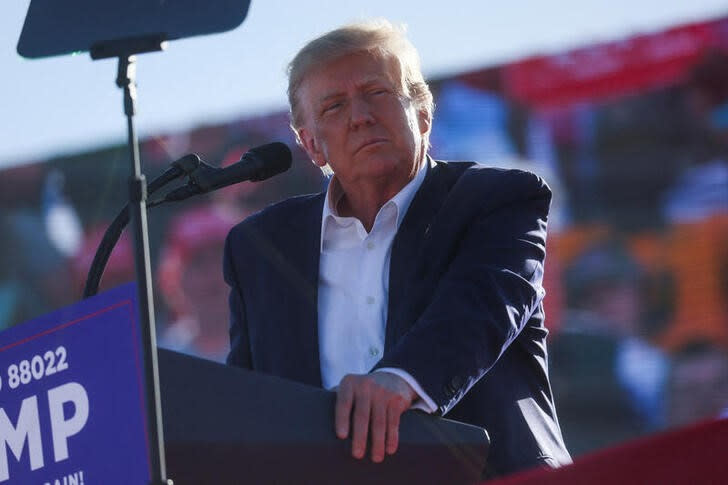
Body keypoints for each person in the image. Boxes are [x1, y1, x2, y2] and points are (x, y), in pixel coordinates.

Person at [224, 19, 571, 476]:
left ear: (423, 111)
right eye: (333, 106)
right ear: (311, 145)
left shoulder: (498, 199)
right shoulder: (260, 247)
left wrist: (401, 380)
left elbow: (482, 307)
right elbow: (248, 402)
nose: (360, 115)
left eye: (378, 92)